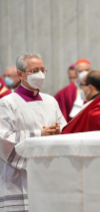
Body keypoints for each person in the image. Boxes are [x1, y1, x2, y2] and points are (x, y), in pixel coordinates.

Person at [0, 53, 66, 212]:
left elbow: (64, 129)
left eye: (43, 70)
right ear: (20, 74)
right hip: (16, 177)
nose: (40, 75)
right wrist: (39, 135)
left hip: (48, 172)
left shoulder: (51, 101)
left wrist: (58, 133)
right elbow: (3, 138)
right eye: (34, 70)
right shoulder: (7, 103)